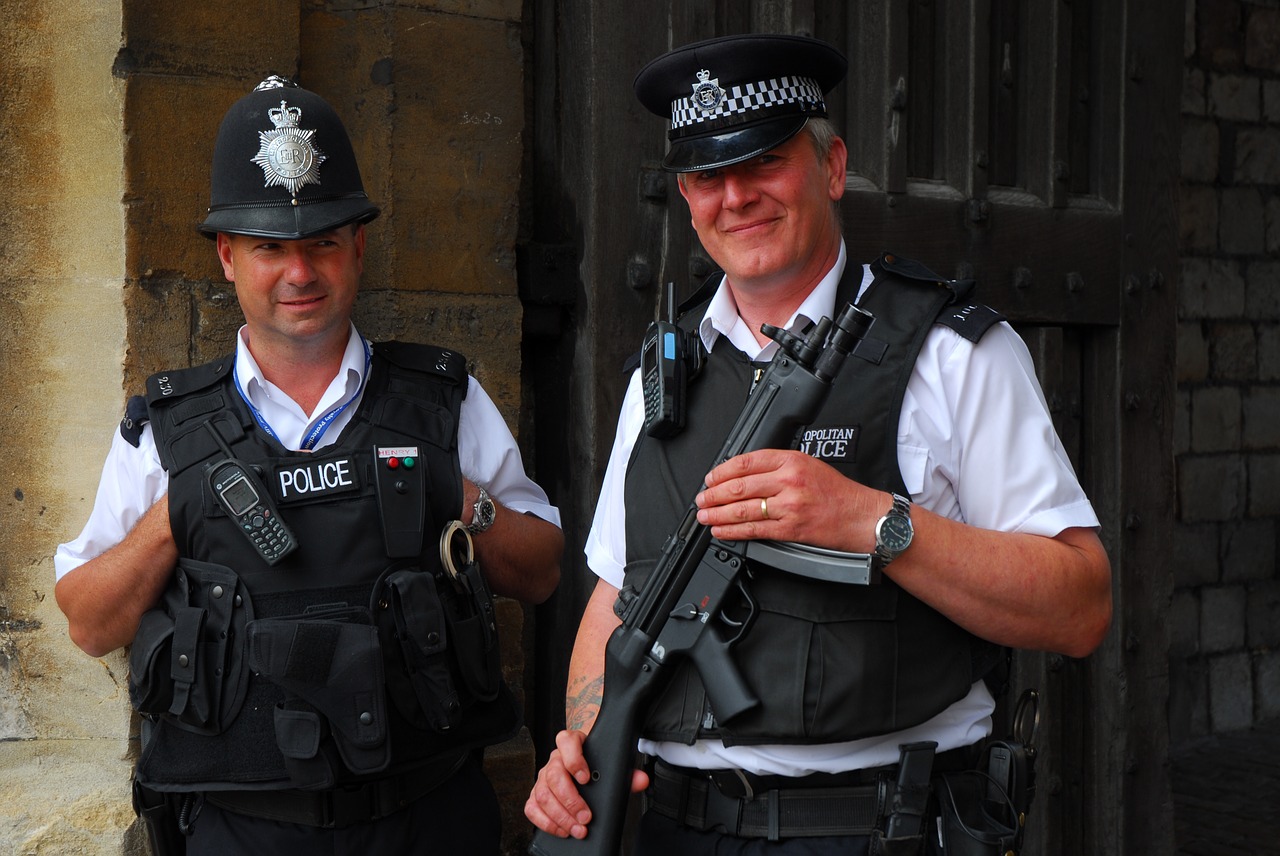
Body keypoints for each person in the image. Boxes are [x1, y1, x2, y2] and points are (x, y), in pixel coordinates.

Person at [524, 33, 1112, 855]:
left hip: (879, 827)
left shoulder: (953, 355)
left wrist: (873, 523)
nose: (735, 198)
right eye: (706, 176)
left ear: (832, 167)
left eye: (764, 162)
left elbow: (1080, 604)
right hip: (672, 831)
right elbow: (615, 601)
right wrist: (583, 744)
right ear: (686, 199)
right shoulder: (660, 375)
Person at [54, 75, 563, 856]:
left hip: (422, 822)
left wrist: (450, 493)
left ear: (357, 246)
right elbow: (88, 621)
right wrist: (179, 513)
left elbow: (542, 571)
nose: (300, 273)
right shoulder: (166, 429)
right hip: (239, 832)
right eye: (270, 248)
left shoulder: (441, 403)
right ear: (227, 257)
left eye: (322, 242)